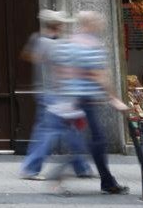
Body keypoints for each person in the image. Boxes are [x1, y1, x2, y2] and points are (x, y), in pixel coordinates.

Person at [55, 11, 129, 195]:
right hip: (84, 100)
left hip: (73, 99)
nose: (101, 24)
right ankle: (60, 176)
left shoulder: (70, 41)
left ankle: (107, 181)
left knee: (93, 141)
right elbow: (100, 76)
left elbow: (60, 71)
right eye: (98, 20)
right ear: (90, 23)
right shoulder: (91, 45)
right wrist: (114, 99)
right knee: (96, 142)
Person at [19, 10, 91, 180]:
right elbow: (64, 70)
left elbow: (29, 56)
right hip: (55, 94)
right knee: (48, 131)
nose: (64, 26)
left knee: (69, 130)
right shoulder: (52, 43)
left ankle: (81, 166)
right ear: (57, 25)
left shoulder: (40, 41)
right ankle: (31, 168)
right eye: (62, 23)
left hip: (49, 93)